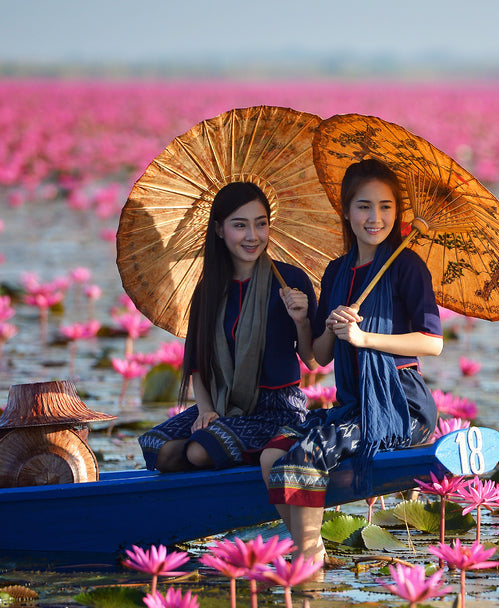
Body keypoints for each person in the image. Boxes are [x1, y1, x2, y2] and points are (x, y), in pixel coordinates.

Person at [260, 158, 443, 563]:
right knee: (273, 454)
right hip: (353, 404)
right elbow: (318, 357)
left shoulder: (406, 266)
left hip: (401, 406)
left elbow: (433, 343)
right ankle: (312, 550)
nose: (374, 218)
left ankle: (307, 561)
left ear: (397, 213)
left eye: (385, 207)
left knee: (306, 454)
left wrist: (364, 338)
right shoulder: (336, 271)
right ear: (346, 211)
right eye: (364, 206)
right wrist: (307, 322)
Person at [139, 181, 318, 472]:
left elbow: (312, 358)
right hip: (223, 403)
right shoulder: (208, 290)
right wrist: (207, 410)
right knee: (156, 448)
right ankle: (221, 455)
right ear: (220, 230)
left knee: (199, 450)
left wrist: (302, 321)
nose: (252, 236)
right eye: (240, 226)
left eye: (261, 224)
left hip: (276, 410)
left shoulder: (289, 281)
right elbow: (197, 365)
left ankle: (236, 453)